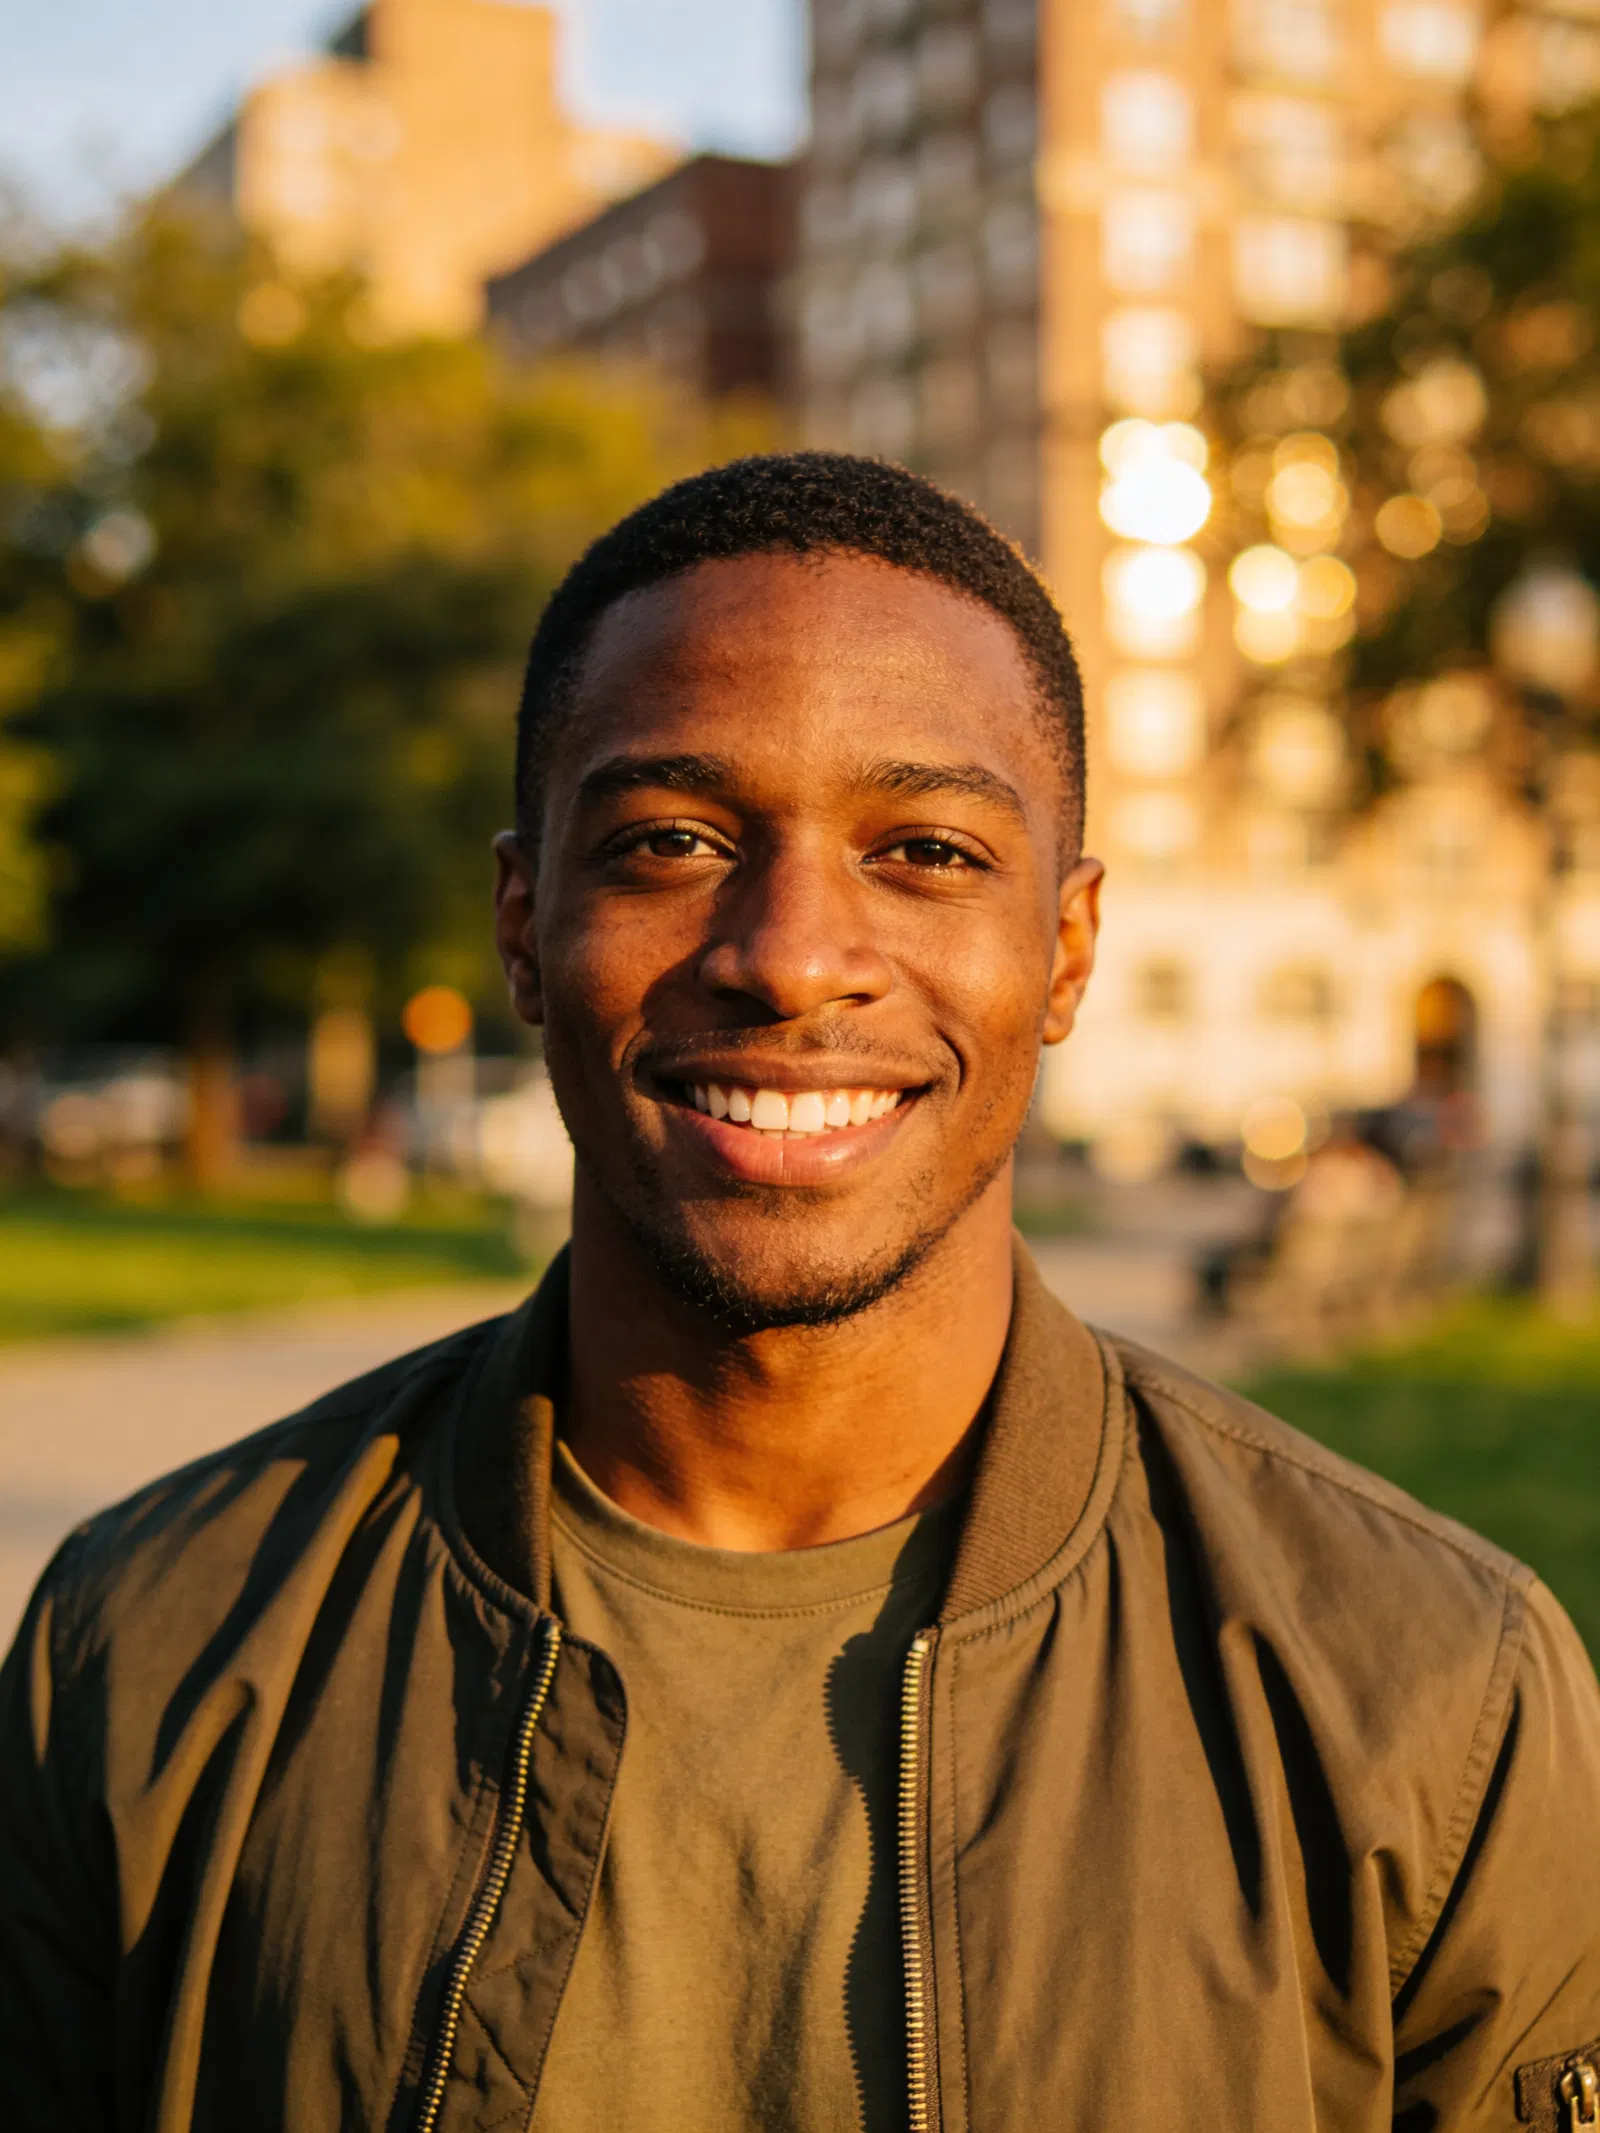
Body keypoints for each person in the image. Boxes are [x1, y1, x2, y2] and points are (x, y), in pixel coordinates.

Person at [2, 454, 1597, 2133]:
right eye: (673, 840)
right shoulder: (153, 1649)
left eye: (923, 849)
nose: (790, 951)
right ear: (526, 923)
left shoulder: (1426, 1693)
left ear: (1065, 952)